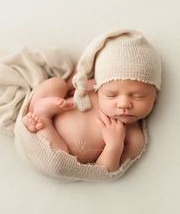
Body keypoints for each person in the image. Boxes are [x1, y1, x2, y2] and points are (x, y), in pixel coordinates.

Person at [23, 29, 161, 173]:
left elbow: (106, 171)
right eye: (111, 95)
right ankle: (38, 111)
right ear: (99, 87)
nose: (124, 104)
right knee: (56, 84)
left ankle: (43, 119)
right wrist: (75, 83)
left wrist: (114, 145)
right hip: (39, 122)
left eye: (138, 96)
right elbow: (79, 75)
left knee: (58, 163)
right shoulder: (90, 85)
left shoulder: (134, 139)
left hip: (56, 151)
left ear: (155, 97)